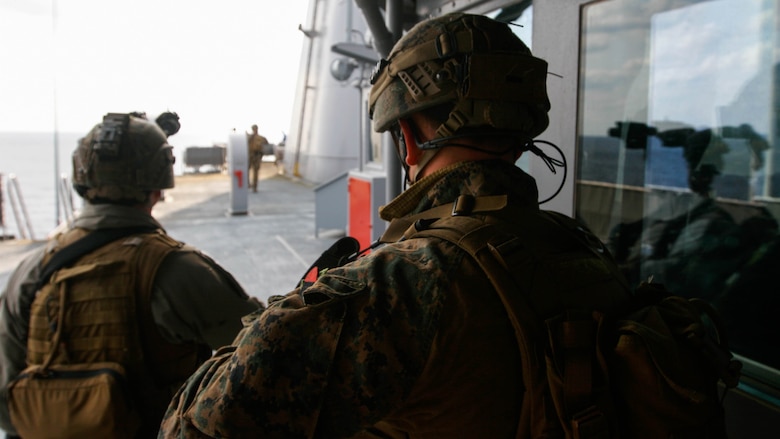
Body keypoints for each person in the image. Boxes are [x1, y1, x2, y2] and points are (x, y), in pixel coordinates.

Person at [159, 13, 630, 438]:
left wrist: (288, 312)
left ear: (407, 139)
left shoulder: (398, 284)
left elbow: (194, 426)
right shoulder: (584, 250)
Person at [0, 112, 263, 438]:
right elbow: (267, 356)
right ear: (158, 185)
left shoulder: (30, 273)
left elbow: (7, 407)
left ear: (83, 179)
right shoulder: (179, 271)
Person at [246, 124, 269, 192]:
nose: (255, 130)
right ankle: (248, 184)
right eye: (254, 129)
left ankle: (255, 187)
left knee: (255, 172)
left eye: (255, 129)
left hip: (257, 156)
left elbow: (266, 145)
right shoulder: (250, 138)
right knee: (247, 170)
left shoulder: (261, 138)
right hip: (250, 155)